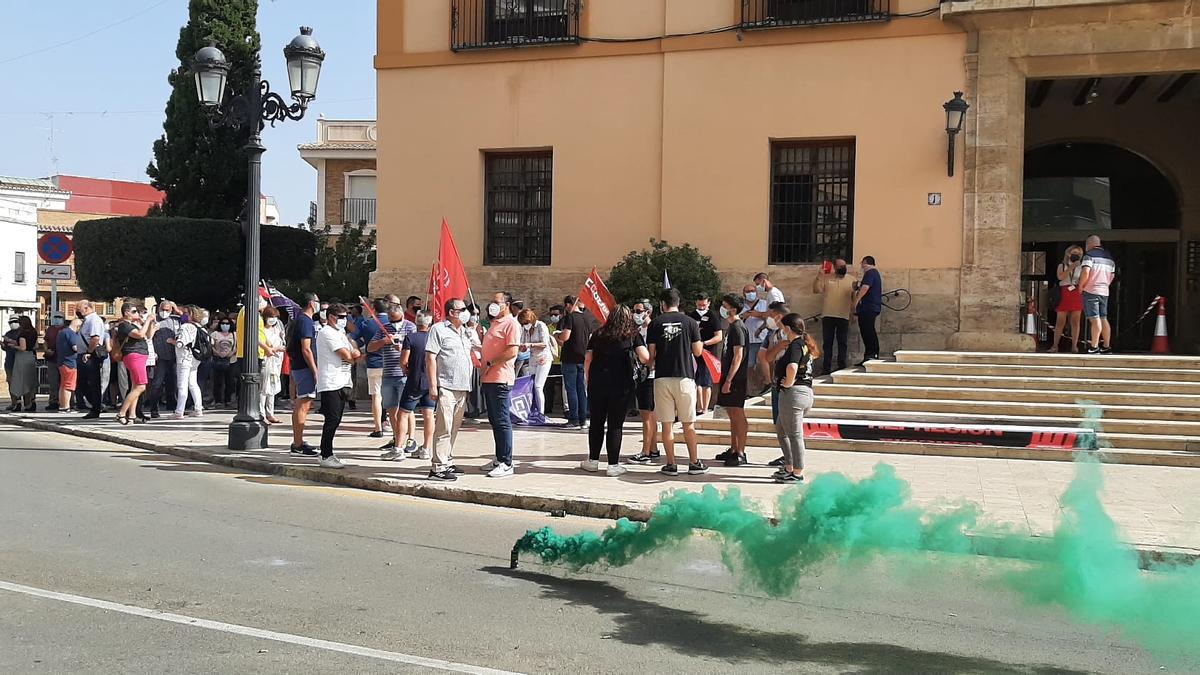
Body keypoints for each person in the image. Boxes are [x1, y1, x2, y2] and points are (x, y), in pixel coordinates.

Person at [579, 305, 648, 476]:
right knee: (615, 425)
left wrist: (588, 378)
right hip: (621, 385)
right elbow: (645, 357)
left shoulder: (598, 334)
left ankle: (593, 461)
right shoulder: (632, 335)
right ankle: (613, 465)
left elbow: (588, 359)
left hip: (597, 383)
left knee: (596, 422)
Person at [645, 288, 707, 476]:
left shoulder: (655, 323)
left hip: (662, 377)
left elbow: (651, 354)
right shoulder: (690, 322)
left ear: (662, 305)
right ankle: (694, 462)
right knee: (688, 423)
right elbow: (697, 351)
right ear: (678, 303)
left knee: (667, 424)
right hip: (684, 377)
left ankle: (671, 464)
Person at [425, 298, 477, 481]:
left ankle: (447, 459)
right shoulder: (438, 329)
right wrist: (433, 385)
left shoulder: (465, 332)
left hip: (462, 386)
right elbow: (430, 358)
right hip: (446, 385)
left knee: (454, 426)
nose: (466, 312)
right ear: (452, 312)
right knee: (444, 426)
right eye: (462, 309)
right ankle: (437, 467)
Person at [773, 313, 819, 483]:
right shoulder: (804, 345)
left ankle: (797, 472)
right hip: (804, 393)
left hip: (794, 394)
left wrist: (787, 383)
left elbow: (792, 366)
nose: (782, 330)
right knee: (781, 429)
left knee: (794, 434)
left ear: (788, 328)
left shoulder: (795, 345)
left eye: (784, 327)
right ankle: (789, 466)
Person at [479, 292, 521, 477]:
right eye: (492, 301)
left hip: (500, 378)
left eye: (497, 302)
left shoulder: (511, 324)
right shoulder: (495, 323)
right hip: (489, 378)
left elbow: (512, 351)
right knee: (494, 420)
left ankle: (506, 462)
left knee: (502, 421)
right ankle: (499, 457)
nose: (492, 305)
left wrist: (491, 363)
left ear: (507, 305)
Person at [314, 303, 360, 468]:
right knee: (332, 419)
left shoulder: (340, 332)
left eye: (345, 316)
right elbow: (347, 355)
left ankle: (327, 452)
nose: (344, 320)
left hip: (343, 380)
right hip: (331, 381)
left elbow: (353, 347)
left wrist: (354, 352)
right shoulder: (326, 333)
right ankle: (326, 454)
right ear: (332, 317)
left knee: (336, 419)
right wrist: (353, 354)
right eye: (341, 317)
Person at [374, 305, 417, 458]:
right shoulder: (383, 328)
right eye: (392, 319)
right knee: (392, 409)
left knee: (406, 409)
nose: (394, 323)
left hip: (404, 374)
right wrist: (383, 341)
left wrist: (403, 349)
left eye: (397, 319)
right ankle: (396, 437)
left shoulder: (411, 327)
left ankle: (411, 439)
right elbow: (371, 347)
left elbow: (416, 348)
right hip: (388, 374)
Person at [394, 310, 436, 460]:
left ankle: (398, 448)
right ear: (430, 323)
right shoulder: (434, 338)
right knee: (429, 415)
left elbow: (403, 361)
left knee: (403, 414)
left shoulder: (410, 338)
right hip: (430, 382)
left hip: (415, 380)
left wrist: (406, 370)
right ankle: (426, 448)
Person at [715, 294, 749, 466]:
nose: (722, 308)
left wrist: (729, 379)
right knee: (731, 414)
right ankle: (733, 448)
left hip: (736, 378)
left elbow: (738, 356)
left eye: (724, 305)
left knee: (737, 413)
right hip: (727, 376)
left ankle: (741, 451)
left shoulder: (738, 328)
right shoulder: (731, 327)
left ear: (733, 309)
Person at [287, 293, 321, 456]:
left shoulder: (298, 320)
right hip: (304, 367)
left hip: (299, 366)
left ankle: (298, 441)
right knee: (304, 402)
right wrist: (315, 370)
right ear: (311, 303)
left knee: (304, 402)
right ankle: (298, 443)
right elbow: (306, 348)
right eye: (317, 302)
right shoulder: (305, 322)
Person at [627, 299, 659, 462]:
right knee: (648, 414)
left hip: (651, 375)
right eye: (634, 311)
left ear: (648, 312)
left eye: (639, 311)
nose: (635, 314)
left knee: (647, 414)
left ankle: (645, 451)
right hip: (641, 374)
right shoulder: (638, 329)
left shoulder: (654, 328)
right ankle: (653, 448)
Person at [113, 303, 154, 425]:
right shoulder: (124, 326)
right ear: (126, 313)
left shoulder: (133, 325)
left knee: (135, 387)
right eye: (134, 311)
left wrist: (150, 322)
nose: (137, 313)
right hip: (134, 355)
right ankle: (121, 413)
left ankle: (132, 415)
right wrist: (147, 321)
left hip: (139, 356)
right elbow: (140, 335)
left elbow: (148, 335)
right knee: (141, 386)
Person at [813, 259, 854, 374]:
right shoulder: (826, 278)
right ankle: (826, 369)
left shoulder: (852, 280)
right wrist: (819, 276)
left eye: (844, 266)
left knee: (843, 342)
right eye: (840, 266)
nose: (843, 268)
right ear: (835, 268)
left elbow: (854, 298)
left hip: (844, 315)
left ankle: (842, 367)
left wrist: (854, 313)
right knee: (827, 343)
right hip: (828, 315)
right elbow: (816, 290)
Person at [557, 295, 591, 428]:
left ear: (568, 305)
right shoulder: (587, 318)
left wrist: (557, 334)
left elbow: (565, 336)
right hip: (582, 357)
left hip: (570, 358)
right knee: (581, 389)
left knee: (571, 389)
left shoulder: (570, 317)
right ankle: (583, 419)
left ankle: (574, 419)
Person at [688, 293, 725, 416]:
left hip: (708, 353)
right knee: (696, 381)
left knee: (706, 382)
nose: (701, 307)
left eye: (704, 304)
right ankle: (698, 408)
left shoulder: (713, 316)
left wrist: (703, 344)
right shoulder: (692, 316)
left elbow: (719, 336)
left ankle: (705, 408)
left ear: (708, 303)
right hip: (694, 354)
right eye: (699, 304)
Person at [1078, 235, 1116, 354]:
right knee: (1103, 318)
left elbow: (1085, 272)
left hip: (1091, 291)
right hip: (1104, 291)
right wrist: (1105, 285)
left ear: (1088, 244)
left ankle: (1094, 346)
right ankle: (1106, 345)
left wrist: (1081, 286)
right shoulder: (1109, 258)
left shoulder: (1088, 256)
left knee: (1095, 318)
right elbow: (1112, 275)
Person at [517, 308, 553, 416]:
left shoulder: (541, 326)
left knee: (538, 386)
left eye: (526, 322)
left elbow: (544, 343)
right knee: (531, 385)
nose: (525, 325)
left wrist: (530, 345)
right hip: (532, 358)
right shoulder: (525, 329)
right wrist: (522, 347)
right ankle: (532, 410)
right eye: (523, 323)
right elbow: (523, 342)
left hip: (543, 358)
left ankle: (541, 413)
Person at [76, 300, 109, 419]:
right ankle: (96, 405)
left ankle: (96, 407)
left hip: (90, 355)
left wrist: (89, 352)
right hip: (84, 354)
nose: (77, 311)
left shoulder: (94, 320)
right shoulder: (87, 321)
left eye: (79, 309)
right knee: (81, 383)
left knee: (92, 382)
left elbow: (95, 338)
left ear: (86, 308)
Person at [146, 300, 178, 418]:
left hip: (173, 357)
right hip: (159, 357)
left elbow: (188, 318)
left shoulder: (175, 320)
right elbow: (148, 336)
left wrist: (176, 308)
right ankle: (154, 409)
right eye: (162, 309)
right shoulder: (154, 320)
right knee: (157, 384)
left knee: (174, 383)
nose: (164, 312)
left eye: (167, 310)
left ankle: (174, 406)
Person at [363, 298, 390, 438]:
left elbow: (354, 336)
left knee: (376, 397)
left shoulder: (367, 323)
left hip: (374, 362)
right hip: (391, 364)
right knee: (392, 397)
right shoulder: (393, 323)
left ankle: (378, 427)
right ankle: (392, 425)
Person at [1051, 245, 1085, 353]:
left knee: (1075, 321)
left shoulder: (1083, 267)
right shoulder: (1062, 265)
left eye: (1079, 254)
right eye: (1074, 253)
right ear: (1068, 254)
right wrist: (1071, 267)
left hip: (1076, 292)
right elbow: (1060, 277)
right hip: (1064, 292)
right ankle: (1055, 345)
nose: (1076, 255)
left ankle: (1074, 346)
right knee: (1060, 321)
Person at [173, 306, 206, 419]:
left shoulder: (186, 326)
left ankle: (179, 411)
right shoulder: (200, 327)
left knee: (182, 385)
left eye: (186, 313)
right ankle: (198, 408)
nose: (183, 314)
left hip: (184, 357)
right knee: (193, 383)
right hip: (195, 358)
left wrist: (172, 341)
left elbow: (180, 343)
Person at [852, 256, 883, 364]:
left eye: (862, 263)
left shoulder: (870, 273)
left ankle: (872, 353)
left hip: (868, 307)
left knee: (868, 330)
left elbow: (866, 288)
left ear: (866, 263)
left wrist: (856, 300)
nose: (861, 266)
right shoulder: (873, 273)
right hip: (868, 307)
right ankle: (869, 354)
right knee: (866, 330)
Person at [55, 317, 87, 413]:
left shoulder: (62, 332)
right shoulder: (71, 333)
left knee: (63, 385)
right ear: (78, 327)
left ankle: (62, 406)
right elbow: (75, 347)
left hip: (62, 361)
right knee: (69, 385)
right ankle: (66, 407)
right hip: (70, 362)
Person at [8, 316, 39, 411]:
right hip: (31, 357)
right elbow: (36, 346)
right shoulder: (34, 332)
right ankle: (32, 402)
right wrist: (11, 341)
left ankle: (18, 403)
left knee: (19, 380)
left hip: (22, 357)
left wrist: (12, 346)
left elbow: (22, 348)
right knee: (31, 380)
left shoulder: (23, 334)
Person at [260, 305, 285, 423]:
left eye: (275, 317)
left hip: (276, 362)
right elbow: (266, 347)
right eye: (270, 316)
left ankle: (270, 413)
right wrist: (276, 349)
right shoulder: (262, 330)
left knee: (273, 388)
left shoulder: (276, 330)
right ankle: (262, 413)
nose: (273, 319)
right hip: (267, 360)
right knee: (264, 388)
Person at [209, 314, 236, 408]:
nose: (225, 325)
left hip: (230, 360)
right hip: (217, 360)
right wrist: (217, 353)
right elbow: (210, 346)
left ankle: (228, 400)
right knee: (217, 382)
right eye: (223, 323)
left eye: (227, 323)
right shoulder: (214, 334)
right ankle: (218, 401)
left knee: (230, 382)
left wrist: (231, 353)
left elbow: (237, 346)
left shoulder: (234, 334)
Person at [43, 313, 66, 411]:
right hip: (52, 358)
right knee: (53, 382)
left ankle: (65, 402)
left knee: (64, 382)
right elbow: (45, 341)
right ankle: (53, 401)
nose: (57, 319)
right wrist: (46, 350)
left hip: (63, 359)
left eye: (59, 317)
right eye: (56, 317)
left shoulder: (66, 329)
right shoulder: (50, 329)